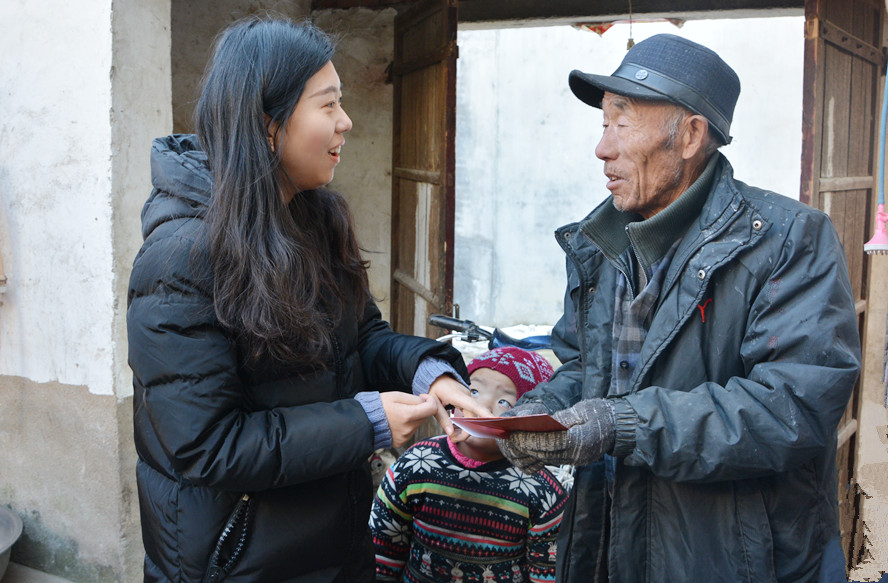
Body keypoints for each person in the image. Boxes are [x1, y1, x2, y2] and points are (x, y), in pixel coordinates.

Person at [126, 16, 488, 583]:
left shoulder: (311, 217)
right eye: (329, 104)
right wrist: (365, 423)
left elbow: (362, 338)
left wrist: (429, 374)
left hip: (333, 545)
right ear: (268, 124)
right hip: (236, 561)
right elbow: (207, 446)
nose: (346, 121)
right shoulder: (180, 259)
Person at [495, 34, 862, 582]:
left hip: (735, 559)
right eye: (603, 123)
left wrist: (620, 424)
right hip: (608, 542)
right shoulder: (601, 243)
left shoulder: (788, 239)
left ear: (690, 135)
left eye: (622, 123)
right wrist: (536, 414)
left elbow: (791, 408)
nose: (602, 148)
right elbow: (584, 368)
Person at [370, 347, 568, 583]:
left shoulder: (541, 490)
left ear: (529, 419)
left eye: (504, 401)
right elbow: (382, 550)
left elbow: (548, 571)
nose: (482, 406)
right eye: (473, 391)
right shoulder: (416, 464)